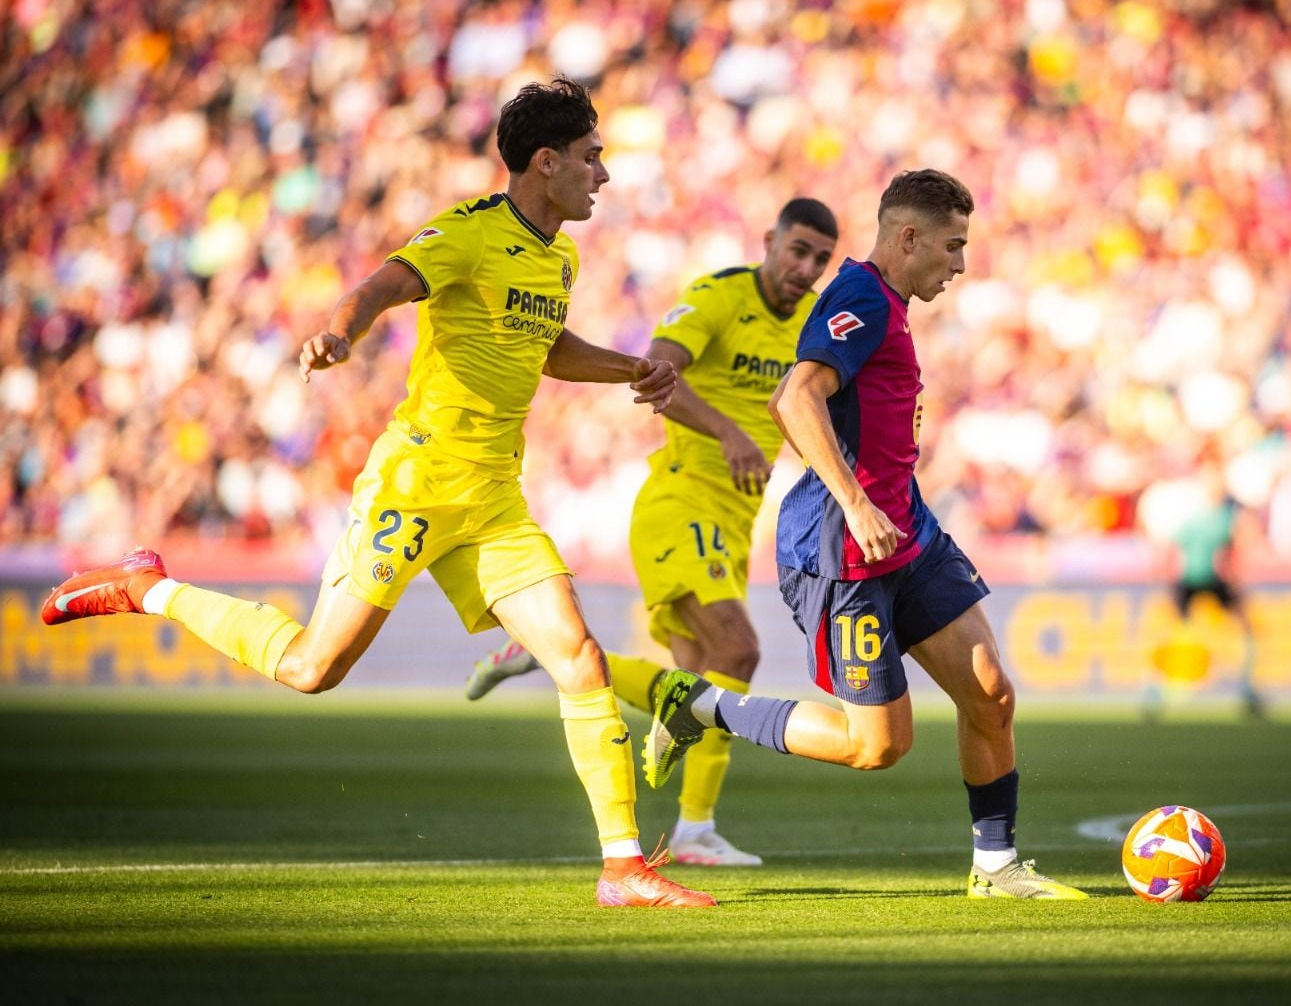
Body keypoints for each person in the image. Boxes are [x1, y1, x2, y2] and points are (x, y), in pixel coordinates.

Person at [38, 78, 715, 907]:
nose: (603, 174)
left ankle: (622, 869)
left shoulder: (559, 254)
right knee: (311, 667)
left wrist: (630, 367)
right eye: (592, 157)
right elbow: (385, 285)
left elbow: (546, 347)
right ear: (547, 163)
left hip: (494, 496)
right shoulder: (468, 235)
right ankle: (152, 589)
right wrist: (339, 332)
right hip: (417, 483)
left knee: (579, 658)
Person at [642, 169, 1088, 900]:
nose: (961, 264)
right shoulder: (858, 296)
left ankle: (997, 868)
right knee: (876, 747)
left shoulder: (890, 304)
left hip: (906, 529)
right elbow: (795, 396)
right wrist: (854, 502)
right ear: (907, 236)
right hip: (844, 546)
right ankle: (698, 703)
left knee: (990, 692)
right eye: (953, 245)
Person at [461, 197, 841, 866]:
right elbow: (656, 376)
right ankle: (694, 829)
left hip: (732, 521)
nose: (804, 267)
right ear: (769, 240)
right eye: (797, 249)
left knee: (702, 683)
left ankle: (551, 657)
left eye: (818, 258)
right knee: (739, 652)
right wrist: (727, 432)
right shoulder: (720, 297)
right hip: (679, 502)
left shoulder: (811, 324)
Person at [1143, 464, 1265, 720]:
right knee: (1191, 636)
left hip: (1192, 581)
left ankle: (1163, 693)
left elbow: (1173, 549)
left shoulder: (1200, 518)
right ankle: (1242, 688)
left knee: (1187, 635)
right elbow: (1236, 550)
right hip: (1204, 580)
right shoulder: (1223, 517)